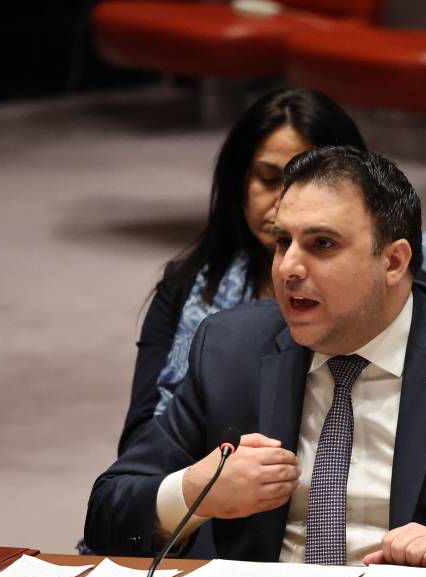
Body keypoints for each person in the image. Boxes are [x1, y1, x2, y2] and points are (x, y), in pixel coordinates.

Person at [86, 146, 426, 577]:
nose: (289, 268)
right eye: (281, 242)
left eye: (322, 244)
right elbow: (109, 510)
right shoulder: (230, 349)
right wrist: (193, 492)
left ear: (393, 261)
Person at [118, 88, 368, 456]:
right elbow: (139, 451)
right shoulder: (185, 286)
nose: (284, 201)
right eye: (269, 179)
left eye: (304, 182)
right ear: (240, 182)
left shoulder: (391, 293)